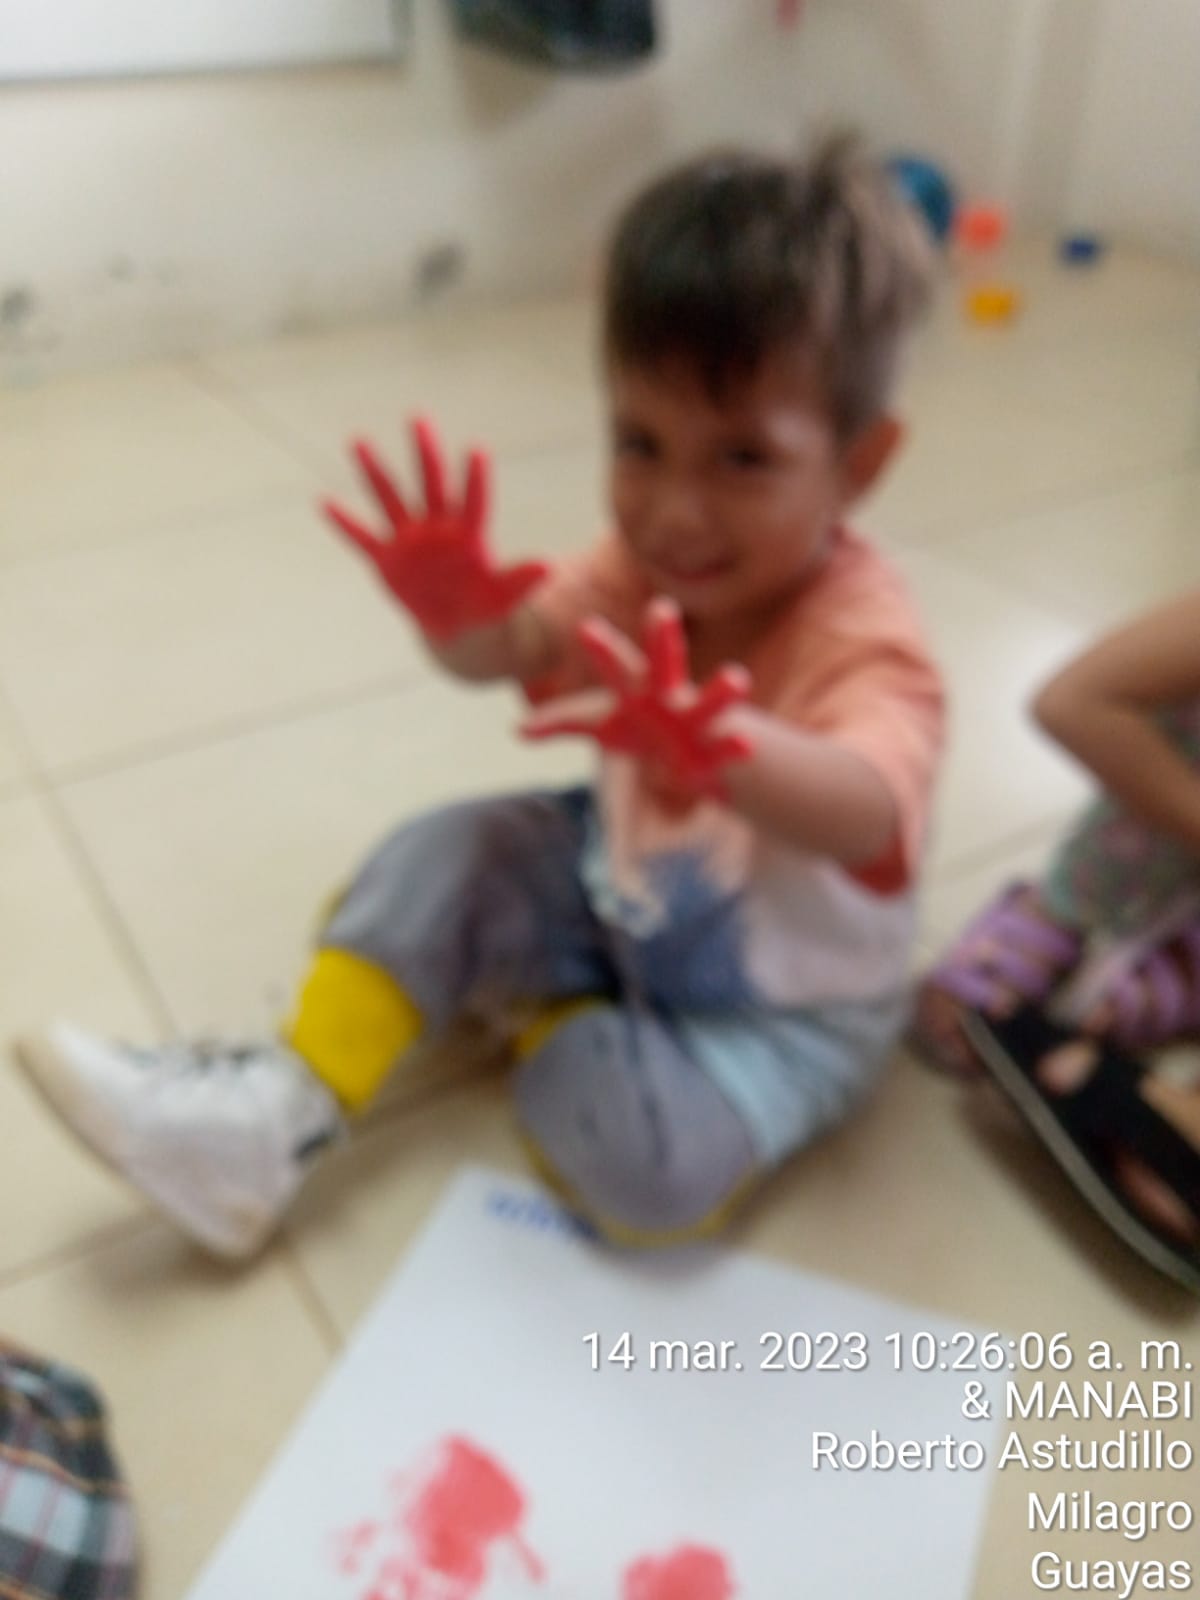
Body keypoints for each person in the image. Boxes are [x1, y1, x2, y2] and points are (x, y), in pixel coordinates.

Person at [20, 137, 943, 1259]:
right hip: (625, 882)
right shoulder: (638, 566)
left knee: (652, 1178)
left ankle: (543, 1003)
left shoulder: (864, 631)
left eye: (743, 459)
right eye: (639, 443)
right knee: (441, 855)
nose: (674, 512)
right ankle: (267, 1118)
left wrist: (728, 749)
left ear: (860, 463)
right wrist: (460, 622)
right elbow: (526, 645)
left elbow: (870, 810)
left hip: (776, 1011)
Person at [914, 589, 1200, 1288]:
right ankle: (1065, 913)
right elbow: (1073, 703)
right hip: (1143, 851)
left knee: (1103, 1012)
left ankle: (1170, 979)